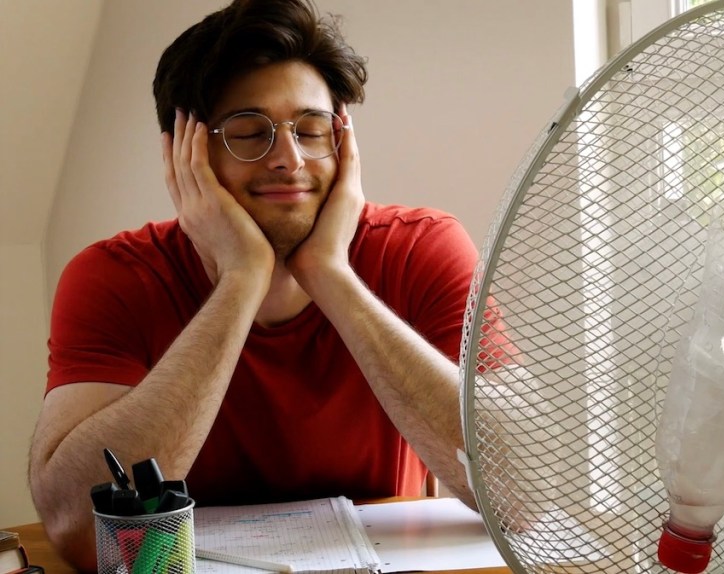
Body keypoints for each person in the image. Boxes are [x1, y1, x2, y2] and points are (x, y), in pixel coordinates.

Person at [28, 0, 499, 569]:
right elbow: (77, 528)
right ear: (182, 151)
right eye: (249, 132)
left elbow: (526, 495)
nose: (288, 158)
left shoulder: (422, 247)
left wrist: (331, 275)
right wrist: (241, 280)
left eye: (311, 129)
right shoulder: (113, 276)